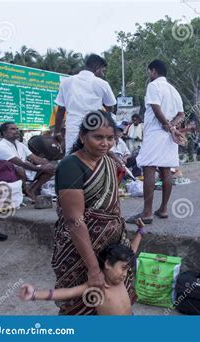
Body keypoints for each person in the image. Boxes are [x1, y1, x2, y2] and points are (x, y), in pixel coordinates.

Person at [52, 110, 135, 315]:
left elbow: (111, 203)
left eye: (110, 138)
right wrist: (94, 268)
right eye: (98, 137)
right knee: (81, 302)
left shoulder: (110, 161)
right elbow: (74, 221)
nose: (105, 143)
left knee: (110, 298)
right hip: (80, 249)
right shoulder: (71, 166)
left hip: (111, 246)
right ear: (82, 137)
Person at [21, 218, 147, 315]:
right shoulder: (99, 286)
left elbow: (132, 250)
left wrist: (140, 232)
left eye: (127, 268)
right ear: (108, 264)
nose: (125, 273)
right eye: (123, 268)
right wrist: (35, 294)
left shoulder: (119, 278)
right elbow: (68, 292)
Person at [128, 60, 185, 224]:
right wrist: (172, 127)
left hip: (155, 133)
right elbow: (181, 114)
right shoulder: (174, 90)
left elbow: (155, 107)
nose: (149, 75)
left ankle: (147, 213)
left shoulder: (153, 86)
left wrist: (167, 125)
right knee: (166, 170)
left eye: (149, 72)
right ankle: (163, 209)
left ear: (153, 71)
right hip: (169, 136)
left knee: (149, 169)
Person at [53, 54, 117, 154]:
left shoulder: (66, 82)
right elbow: (110, 107)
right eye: (102, 70)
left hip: (73, 129)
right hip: (95, 128)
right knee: (95, 159)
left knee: (73, 159)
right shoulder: (102, 84)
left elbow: (60, 109)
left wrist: (56, 132)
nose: (103, 74)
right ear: (97, 68)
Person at [0, 122, 55, 201]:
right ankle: (25, 190)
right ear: (4, 133)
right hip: (5, 174)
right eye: (13, 129)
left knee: (50, 169)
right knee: (20, 169)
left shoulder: (19, 144)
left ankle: (32, 190)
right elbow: (20, 163)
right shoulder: (2, 146)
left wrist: (50, 165)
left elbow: (35, 158)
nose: (17, 131)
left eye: (17, 129)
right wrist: (41, 168)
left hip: (22, 171)